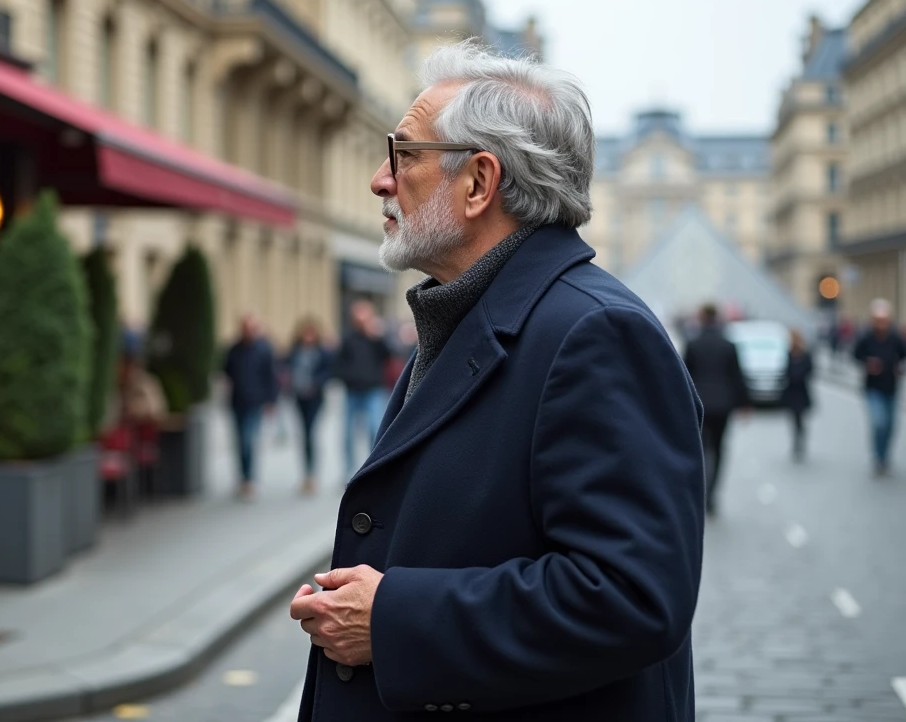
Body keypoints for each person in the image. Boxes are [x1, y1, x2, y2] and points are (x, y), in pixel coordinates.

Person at [288, 41, 704, 721]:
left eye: (403, 154)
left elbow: (632, 596)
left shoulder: (596, 333)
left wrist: (392, 618)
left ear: (479, 183)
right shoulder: (467, 313)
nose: (379, 180)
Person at [682, 302, 751, 516]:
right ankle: (712, 494)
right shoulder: (728, 345)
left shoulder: (693, 344)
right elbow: (737, 376)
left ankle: (701, 492)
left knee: (701, 450)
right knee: (720, 449)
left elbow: (684, 377)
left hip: (701, 405)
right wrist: (745, 403)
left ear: (702, 319)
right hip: (723, 405)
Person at [223, 314, 278, 500]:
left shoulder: (263, 349)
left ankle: (249, 478)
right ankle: (243, 478)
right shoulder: (234, 349)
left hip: (256, 401)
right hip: (237, 401)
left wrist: (271, 400)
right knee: (239, 441)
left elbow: (271, 376)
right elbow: (226, 371)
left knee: (248, 440)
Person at [334, 301, 392, 479]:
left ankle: (373, 466)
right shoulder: (348, 338)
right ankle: (348, 470)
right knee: (348, 434)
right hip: (352, 391)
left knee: (375, 429)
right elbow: (339, 364)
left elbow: (389, 355)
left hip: (373, 390)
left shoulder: (376, 337)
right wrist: (349, 377)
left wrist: (377, 336)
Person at [853, 298, 906, 477]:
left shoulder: (894, 337)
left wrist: (899, 367)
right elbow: (855, 354)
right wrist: (867, 363)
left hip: (891, 386)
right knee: (879, 422)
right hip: (873, 387)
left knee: (891, 425)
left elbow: (903, 354)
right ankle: (878, 456)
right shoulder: (867, 337)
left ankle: (884, 455)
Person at [284, 318, 333, 495]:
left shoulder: (322, 352)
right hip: (299, 397)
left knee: (311, 433)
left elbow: (329, 371)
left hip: (315, 398)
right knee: (304, 434)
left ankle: (312, 475)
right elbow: (284, 367)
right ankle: (306, 475)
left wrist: (316, 383)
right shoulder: (294, 350)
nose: (308, 337)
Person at [781, 329, 814, 461]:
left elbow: (810, 370)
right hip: (791, 392)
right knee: (793, 419)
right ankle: (796, 441)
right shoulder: (788, 353)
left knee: (800, 418)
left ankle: (800, 440)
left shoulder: (805, 355)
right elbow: (785, 370)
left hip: (801, 392)